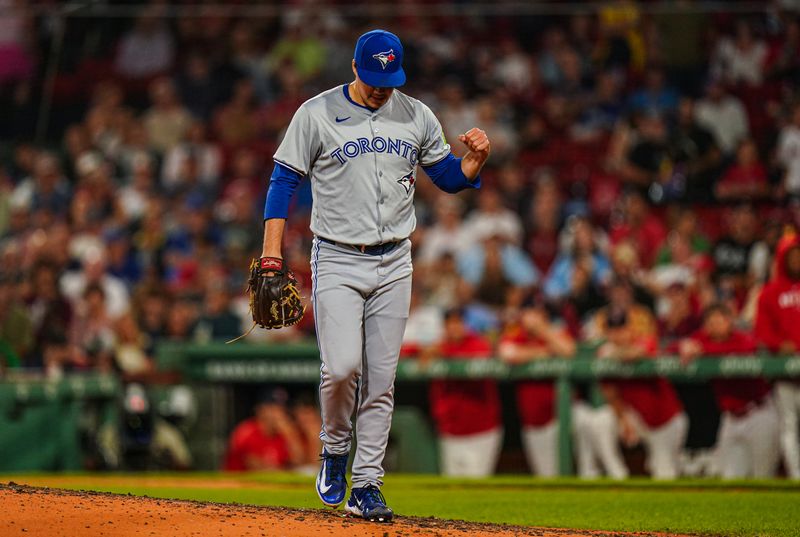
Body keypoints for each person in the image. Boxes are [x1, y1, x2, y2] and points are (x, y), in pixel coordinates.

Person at [258, 29, 490, 521]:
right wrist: (272, 257)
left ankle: (367, 484)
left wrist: (471, 164)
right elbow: (283, 182)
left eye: (391, 78)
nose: (383, 87)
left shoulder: (415, 114)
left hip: (394, 261)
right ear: (355, 67)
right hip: (338, 256)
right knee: (341, 368)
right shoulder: (316, 113)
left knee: (381, 380)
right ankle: (335, 447)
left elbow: (446, 177)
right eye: (375, 77)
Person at [680, 304, 779, 478]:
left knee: (763, 475)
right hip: (730, 418)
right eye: (711, 323)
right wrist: (686, 346)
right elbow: (675, 348)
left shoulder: (743, 338)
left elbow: (745, 351)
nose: (715, 327)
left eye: (720, 321)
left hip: (759, 413)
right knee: (730, 477)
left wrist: (704, 351)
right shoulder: (704, 339)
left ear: (729, 321)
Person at [597, 309, 687, 480]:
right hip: (638, 418)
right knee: (599, 421)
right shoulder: (604, 352)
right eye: (613, 330)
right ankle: (617, 475)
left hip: (666, 421)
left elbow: (637, 353)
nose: (618, 334)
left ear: (630, 328)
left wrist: (611, 354)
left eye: (622, 328)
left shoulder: (645, 341)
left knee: (664, 473)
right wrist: (622, 420)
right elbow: (611, 393)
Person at [498, 295, 576, 476]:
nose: (533, 317)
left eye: (538, 312)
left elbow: (569, 351)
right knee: (545, 475)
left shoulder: (554, 331)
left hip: (561, 417)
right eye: (529, 312)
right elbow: (507, 353)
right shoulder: (516, 334)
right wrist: (543, 353)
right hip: (532, 420)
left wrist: (543, 330)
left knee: (567, 472)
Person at [426, 308, 502, 477]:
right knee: (452, 486)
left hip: (479, 431)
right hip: (449, 431)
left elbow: (483, 354)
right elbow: (410, 352)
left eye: (457, 322)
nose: (454, 328)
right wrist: (427, 353)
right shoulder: (438, 347)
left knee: (476, 485)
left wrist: (442, 354)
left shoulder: (477, 344)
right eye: (449, 323)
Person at [755, 231, 800, 479]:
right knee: (789, 428)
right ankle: (796, 478)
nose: (797, 261)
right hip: (785, 374)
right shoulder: (770, 292)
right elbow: (762, 332)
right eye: (792, 257)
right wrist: (779, 345)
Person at [223, 387, 305, 472]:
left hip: (268, 481)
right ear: (260, 410)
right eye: (272, 408)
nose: (278, 413)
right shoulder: (247, 431)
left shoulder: (282, 435)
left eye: (281, 408)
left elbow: (299, 461)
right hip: (239, 482)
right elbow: (256, 467)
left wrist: (290, 435)